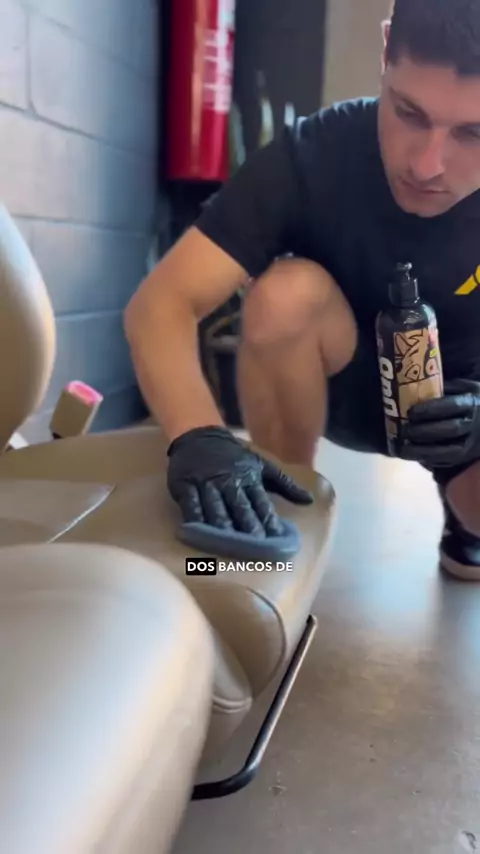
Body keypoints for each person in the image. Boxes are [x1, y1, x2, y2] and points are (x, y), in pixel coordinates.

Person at [124, 0, 480, 582]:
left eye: (473, 133)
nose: (427, 164)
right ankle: (282, 512)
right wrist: (198, 436)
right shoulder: (317, 151)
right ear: (386, 50)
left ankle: (469, 527)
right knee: (286, 295)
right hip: (342, 380)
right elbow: (161, 303)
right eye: (409, 113)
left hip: (466, 413)